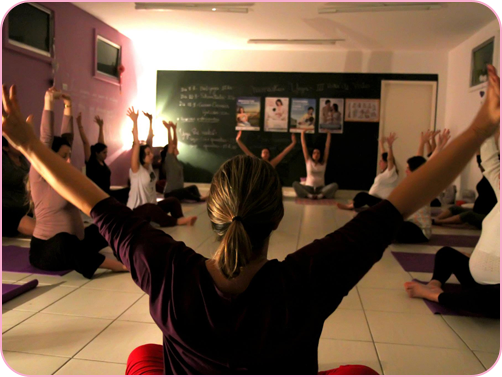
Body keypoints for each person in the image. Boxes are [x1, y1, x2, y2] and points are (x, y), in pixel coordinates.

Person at [3, 64, 499, 374]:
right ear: (278, 215)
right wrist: (482, 127)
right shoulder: (308, 280)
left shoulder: (168, 272)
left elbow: (93, 199)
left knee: (142, 359)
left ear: (215, 213)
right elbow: (405, 200)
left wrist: (28, 146)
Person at [26, 87, 127, 278]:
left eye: (69, 156)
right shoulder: (39, 175)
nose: (69, 161)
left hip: (76, 243)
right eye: (64, 156)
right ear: (49, 158)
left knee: (105, 227)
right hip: (47, 251)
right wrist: (48, 101)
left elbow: (68, 139)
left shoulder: (66, 178)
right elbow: (45, 140)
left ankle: (127, 255)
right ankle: (116, 266)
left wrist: (68, 105)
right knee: (65, 241)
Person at [405, 128, 500, 317]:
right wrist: (490, 120)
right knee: (446, 254)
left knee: (486, 300)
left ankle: (435, 296)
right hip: (475, 277)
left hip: (493, 289)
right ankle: (435, 283)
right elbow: (490, 162)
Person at [126, 107, 197, 226]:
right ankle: (177, 221)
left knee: (173, 201)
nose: (151, 155)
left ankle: (181, 218)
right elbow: (137, 143)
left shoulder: (149, 167)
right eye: (148, 154)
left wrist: (150, 121)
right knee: (149, 208)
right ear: (140, 156)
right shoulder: (136, 170)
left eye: (150, 152)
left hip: (152, 206)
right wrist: (134, 121)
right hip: (137, 211)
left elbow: (149, 141)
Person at [433, 152, 497, 229]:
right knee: (455, 208)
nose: (481, 168)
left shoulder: (495, 179)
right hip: (477, 211)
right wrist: (478, 142)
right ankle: (436, 219)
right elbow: (479, 159)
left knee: (468, 215)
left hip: (486, 217)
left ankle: (440, 222)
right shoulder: (485, 176)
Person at [336, 133, 398, 210]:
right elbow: (383, 154)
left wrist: (390, 146)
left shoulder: (390, 172)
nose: (379, 163)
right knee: (361, 194)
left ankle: (349, 207)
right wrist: (380, 143)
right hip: (376, 199)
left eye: (381, 161)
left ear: (386, 163)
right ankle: (351, 204)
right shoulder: (385, 173)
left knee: (363, 196)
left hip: (383, 202)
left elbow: (389, 159)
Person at [77, 113, 129, 204]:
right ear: (97, 153)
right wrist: (80, 125)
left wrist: (101, 127)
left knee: (127, 191)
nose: (106, 155)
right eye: (104, 153)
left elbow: (101, 142)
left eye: (106, 152)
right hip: (97, 196)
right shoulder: (91, 162)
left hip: (106, 193)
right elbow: (85, 143)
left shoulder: (102, 162)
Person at [162, 120, 206, 202]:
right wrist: (168, 130)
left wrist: (174, 129)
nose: (176, 148)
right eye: (174, 148)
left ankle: (200, 196)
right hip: (170, 194)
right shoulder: (169, 159)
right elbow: (171, 143)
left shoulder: (175, 159)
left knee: (193, 187)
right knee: (183, 192)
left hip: (178, 191)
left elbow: (175, 142)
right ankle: (198, 199)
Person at [2, 136, 35, 236]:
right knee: (42, 232)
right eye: (14, 143)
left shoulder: (23, 160)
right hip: (9, 211)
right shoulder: (4, 161)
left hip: (24, 208)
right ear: (5, 148)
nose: (19, 145)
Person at [293, 129, 338, 199]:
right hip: (308, 188)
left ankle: (320, 196)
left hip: (321, 189)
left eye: (318, 153)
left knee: (335, 185)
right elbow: (304, 146)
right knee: (295, 184)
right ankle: (309, 195)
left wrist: (329, 134)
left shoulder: (323, 163)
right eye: (314, 153)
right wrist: (302, 133)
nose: (316, 154)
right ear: (312, 154)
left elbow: (327, 147)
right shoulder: (308, 161)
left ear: (320, 155)